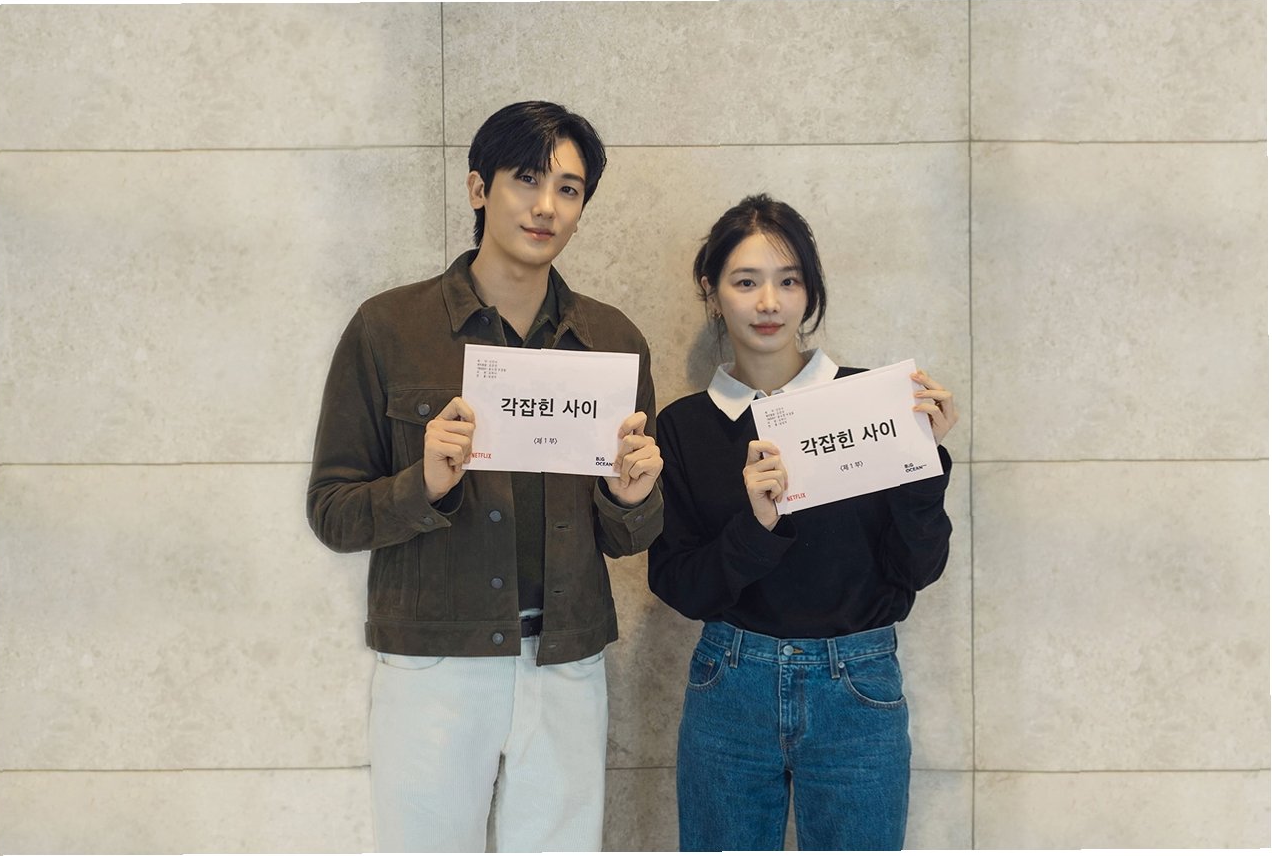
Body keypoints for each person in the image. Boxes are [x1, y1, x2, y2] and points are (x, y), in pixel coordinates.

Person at [307, 101, 664, 853]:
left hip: (566, 659)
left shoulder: (613, 341)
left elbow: (628, 535)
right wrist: (424, 483)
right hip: (433, 658)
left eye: (568, 189)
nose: (546, 205)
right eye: (526, 178)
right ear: (478, 188)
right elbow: (332, 511)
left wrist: (629, 499)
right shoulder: (388, 328)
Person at [647, 194, 957, 851]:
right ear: (712, 290)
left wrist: (924, 463)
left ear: (811, 291)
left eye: (789, 281)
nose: (769, 303)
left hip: (858, 684)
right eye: (746, 282)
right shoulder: (684, 427)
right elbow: (678, 583)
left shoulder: (873, 404)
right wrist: (756, 527)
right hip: (730, 683)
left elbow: (918, 568)